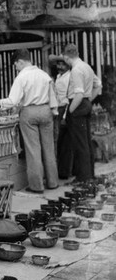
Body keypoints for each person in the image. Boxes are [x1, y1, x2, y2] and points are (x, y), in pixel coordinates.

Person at [0, 48, 59, 194]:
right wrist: (53, 111)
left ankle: (37, 186)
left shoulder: (21, 77)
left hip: (29, 112)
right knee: (49, 148)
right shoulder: (44, 74)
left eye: (16, 65)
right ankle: (53, 182)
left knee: (33, 150)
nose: (16, 68)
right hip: (46, 111)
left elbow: (13, 101)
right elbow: (53, 95)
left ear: (20, 62)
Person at [61, 43, 102, 182]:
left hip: (77, 104)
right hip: (85, 104)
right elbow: (99, 84)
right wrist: (88, 100)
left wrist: (70, 111)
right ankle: (89, 174)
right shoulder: (86, 67)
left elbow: (78, 94)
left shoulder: (76, 70)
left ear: (66, 57)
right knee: (86, 141)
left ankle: (83, 177)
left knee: (79, 143)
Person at [49, 55, 73, 179]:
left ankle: (65, 172)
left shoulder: (69, 77)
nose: (60, 67)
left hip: (65, 108)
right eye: (58, 64)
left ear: (68, 65)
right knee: (58, 141)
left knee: (65, 143)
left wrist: (64, 116)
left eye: (62, 64)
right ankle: (60, 170)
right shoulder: (58, 77)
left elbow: (69, 99)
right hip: (58, 108)